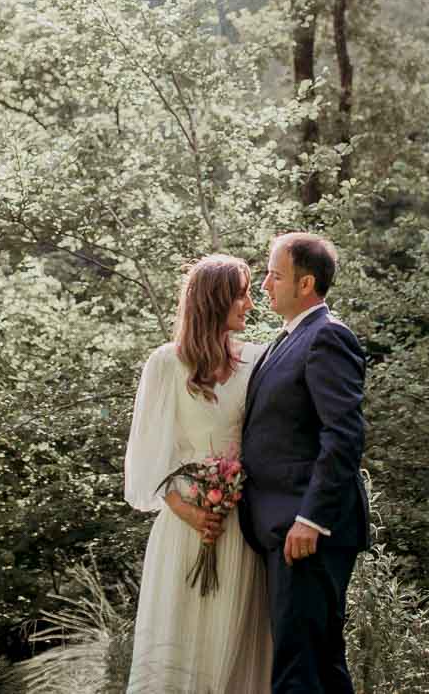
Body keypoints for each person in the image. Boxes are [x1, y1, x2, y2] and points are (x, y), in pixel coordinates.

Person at [124, 254, 274, 693]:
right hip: (186, 527)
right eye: (242, 294)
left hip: (241, 528)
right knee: (179, 645)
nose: (250, 303)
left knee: (235, 643)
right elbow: (149, 456)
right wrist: (187, 510)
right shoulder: (167, 364)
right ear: (215, 300)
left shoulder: (259, 360)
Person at [238, 233, 370, 694]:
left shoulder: (327, 337)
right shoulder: (284, 340)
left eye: (275, 275)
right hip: (281, 527)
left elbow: (344, 435)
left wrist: (310, 518)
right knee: (321, 666)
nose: (266, 285)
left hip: (307, 531)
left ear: (306, 282)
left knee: (299, 670)